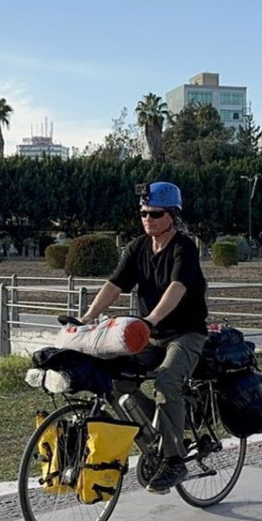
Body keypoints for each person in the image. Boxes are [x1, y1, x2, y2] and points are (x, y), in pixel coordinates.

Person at [77, 181, 209, 493]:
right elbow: (115, 284)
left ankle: (175, 459)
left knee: (166, 381)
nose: (147, 218)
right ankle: (164, 432)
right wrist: (88, 316)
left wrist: (150, 319)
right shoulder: (138, 247)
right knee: (118, 379)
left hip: (186, 334)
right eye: (143, 213)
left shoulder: (184, 248)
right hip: (150, 336)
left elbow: (177, 288)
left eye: (155, 213)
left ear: (172, 216)